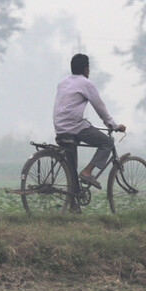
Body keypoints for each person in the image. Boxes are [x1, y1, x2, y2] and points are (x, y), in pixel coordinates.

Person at [52, 53, 126, 189]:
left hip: (60, 128)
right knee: (107, 142)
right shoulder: (86, 84)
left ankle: (73, 205)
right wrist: (113, 125)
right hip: (74, 127)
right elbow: (100, 107)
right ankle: (87, 171)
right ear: (86, 69)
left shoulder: (63, 82)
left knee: (71, 170)